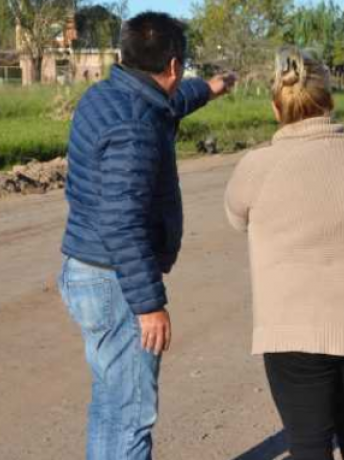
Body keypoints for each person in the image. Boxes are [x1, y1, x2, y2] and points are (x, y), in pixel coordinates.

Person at [57, 12, 235, 460]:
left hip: (88, 267)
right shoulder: (135, 126)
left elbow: (168, 103)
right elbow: (123, 221)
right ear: (173, 66)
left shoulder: (108, 96)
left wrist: (210, 88)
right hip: (114, 281)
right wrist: (149, 304)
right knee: (132, 413)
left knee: (112, 403)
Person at [225, 47, 344, 460]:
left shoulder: (256, 165)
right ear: (331, 101)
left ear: (276, 109)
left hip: (296, 321)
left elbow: (237, 219)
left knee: (309, 441)